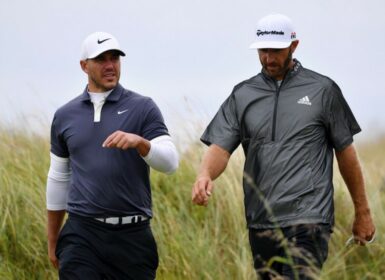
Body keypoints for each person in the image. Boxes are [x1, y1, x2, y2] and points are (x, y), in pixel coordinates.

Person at [192, 14, 375, 279]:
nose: (268, 58)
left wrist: (363, 212)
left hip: (309, 218)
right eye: (262, 51)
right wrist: (204, 175)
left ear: (294, 45)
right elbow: (221, 146)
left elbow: (346, 154)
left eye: (275, 50)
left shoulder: (322, 90)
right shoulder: (242, 95)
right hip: (261, 222)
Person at [46, 31, 179, 279]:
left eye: (115, 58)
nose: (110, 66)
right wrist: (53, 240)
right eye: (101, 59)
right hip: (81, 235)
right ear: (84, 66)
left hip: (133, 237)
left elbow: (171, 162)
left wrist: (141, 143)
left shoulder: (143, 107)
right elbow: (58, 178)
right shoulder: (65, 115)